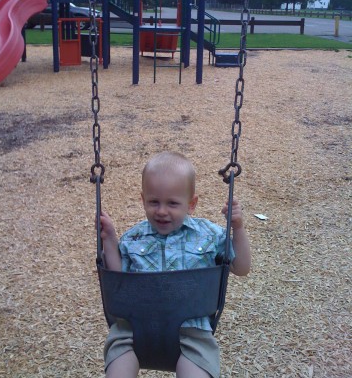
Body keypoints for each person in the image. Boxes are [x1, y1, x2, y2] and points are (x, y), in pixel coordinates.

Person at [100, 151, 251, 378]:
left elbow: (241, 267)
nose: (161, 211)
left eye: (172, 203)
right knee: (118, 366)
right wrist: (110, 239)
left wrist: (237, 228)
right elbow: (118, 279)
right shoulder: (133, 238)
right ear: (143, 200)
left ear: (191, 204)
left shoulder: (209, 235)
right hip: (134, 328)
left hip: (192, 333)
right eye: (153, 202)